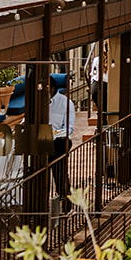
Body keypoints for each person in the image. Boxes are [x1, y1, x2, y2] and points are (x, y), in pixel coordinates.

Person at [49, 80, 75, 209]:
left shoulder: (66, 103)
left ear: (53, 88)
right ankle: (39, 203)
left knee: (59, 173)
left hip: (59, 140)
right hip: (42, 140)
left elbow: (69, 128)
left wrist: (54, 134)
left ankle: (66, 204)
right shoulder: (36, 101)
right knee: (37, 171)